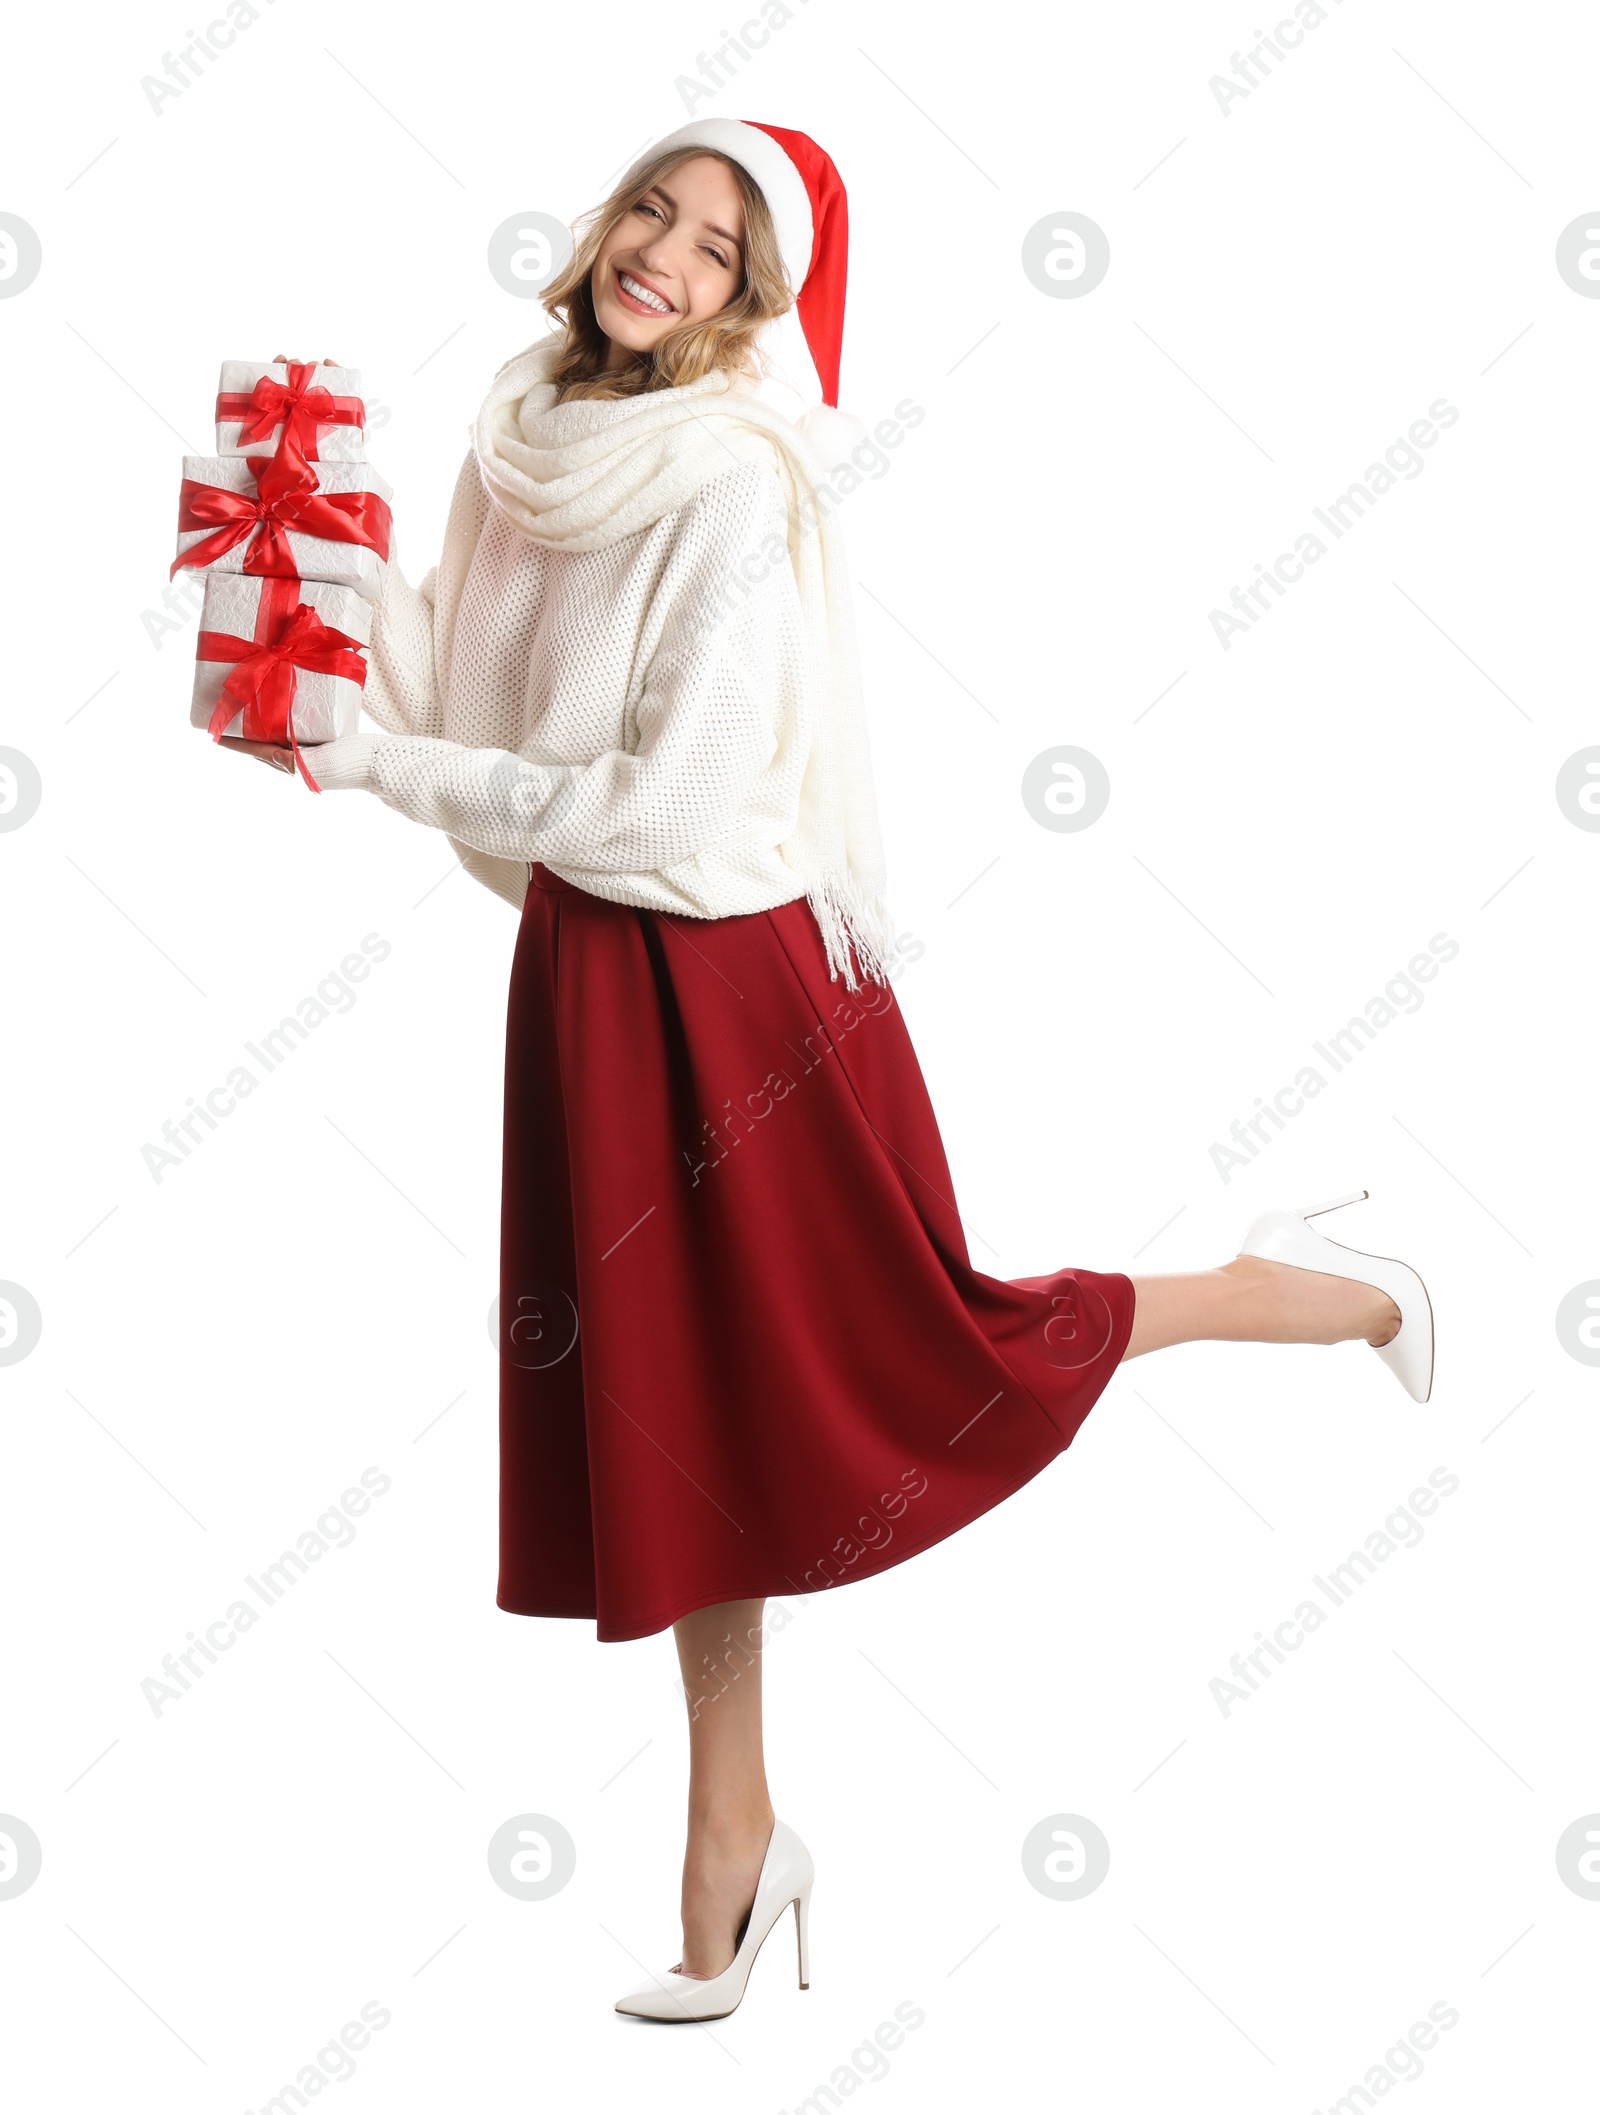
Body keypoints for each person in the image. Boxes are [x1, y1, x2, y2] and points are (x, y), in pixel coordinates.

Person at [223, 117, 1433, 2023]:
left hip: (734, 977)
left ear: (748, 305)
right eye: (655, 211)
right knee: (683, 1418)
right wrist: (317, 607)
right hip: (590, 975)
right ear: (607, 219)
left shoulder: (730, 486)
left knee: (912, 1348)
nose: (664, 258)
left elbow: (660, 802)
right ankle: (736, 1838)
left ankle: (1305, 1287)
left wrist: (382, 757)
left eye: (717, 250)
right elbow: (464, 707)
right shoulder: (521, 424)